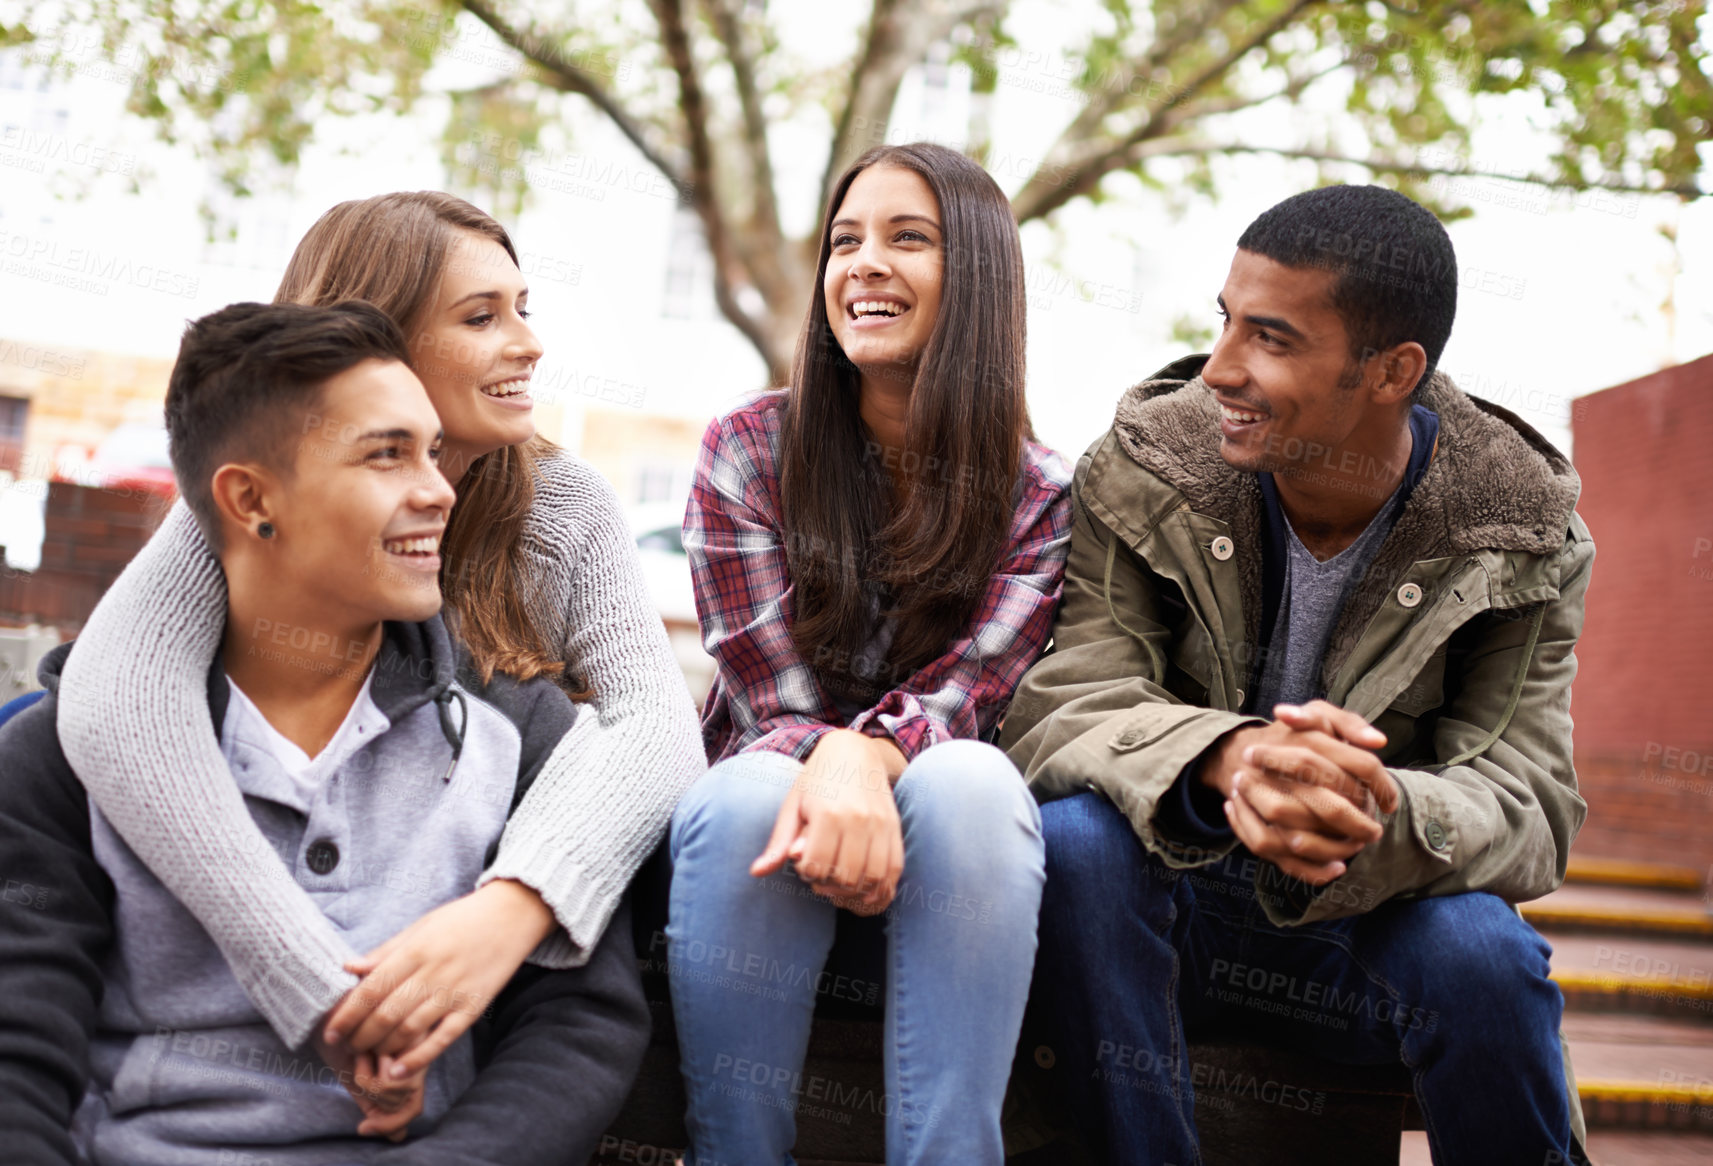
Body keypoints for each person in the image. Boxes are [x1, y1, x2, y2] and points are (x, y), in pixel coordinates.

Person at [1002, 184, 1592, 1165]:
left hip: (1358, 920)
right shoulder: (1148, 467)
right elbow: (1064, 705)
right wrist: (1232, 757)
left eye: (1271, 339)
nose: (1222, 368)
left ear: (1393, 369)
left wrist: (1371, 805)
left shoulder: (1521, 532)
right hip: (1169, 912)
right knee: (1076, 839)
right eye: (1224, 321)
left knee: (1483, 952)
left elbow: (1530, 798)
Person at [52, 193, 705, 1074]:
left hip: (485, 991)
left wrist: (514, 905)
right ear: (378, 343)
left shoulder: (563, 505)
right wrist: (318, 986)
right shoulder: (267, 489)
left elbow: (656, 729)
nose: (529, 342)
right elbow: (115, 697)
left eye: (523, 308)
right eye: (481, 317)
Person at [0, 301, 649, 1165]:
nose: (438, 490)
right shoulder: (63, 759)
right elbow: (17, 1056)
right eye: (387, 454)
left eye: (430, 451)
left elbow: (577, 1024)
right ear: (251, 499)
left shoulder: (516, 731)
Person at [666, 142, 1072, 1166]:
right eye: (846, 241)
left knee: (974, 777)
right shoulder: (748, 449)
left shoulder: (1041, 494)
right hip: (764, 856)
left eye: (908, 238)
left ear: (977, 276)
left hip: (950, 862)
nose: (864, 264)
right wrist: (835, 758)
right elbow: (764, 694)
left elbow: (980, 687)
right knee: (746, 789)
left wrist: (868, 755)